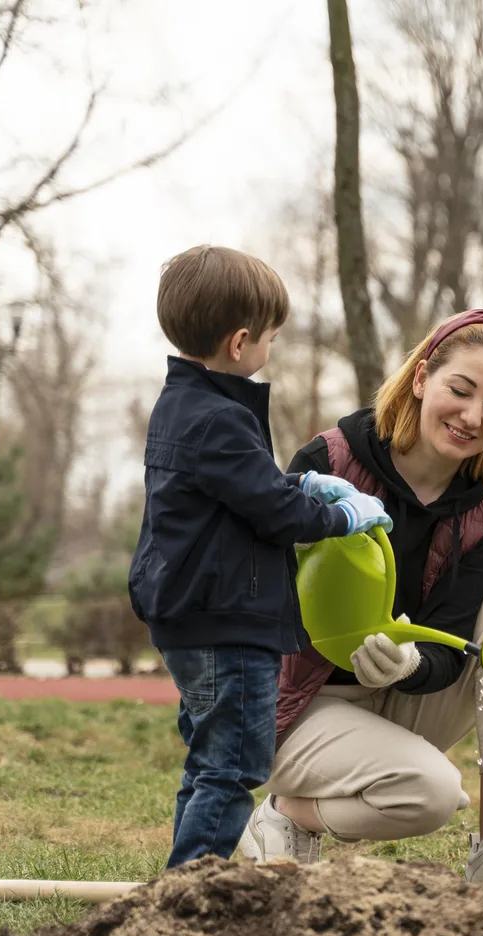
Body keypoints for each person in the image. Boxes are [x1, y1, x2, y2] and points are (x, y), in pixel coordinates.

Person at [237, 309, 483, 902]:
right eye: (460, 390)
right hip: (297, 705)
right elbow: (258, 596)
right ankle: (285, 814)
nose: (473, 417)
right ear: (422, 379)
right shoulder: (327, 463)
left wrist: (413, 664)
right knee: (431, 795)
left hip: (398, 697)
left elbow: (451, 645)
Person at [129, 245, 393, 870]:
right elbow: (274, 516)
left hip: (192, 615)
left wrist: (300, 484)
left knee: (208, 756)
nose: (271, 348)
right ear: (241, 342)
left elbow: (238, 496)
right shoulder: (221, 418)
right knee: (238, 761)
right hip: (227, 620)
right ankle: (195, 887)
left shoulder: (182, 407)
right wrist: (339, 516)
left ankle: (188, 875)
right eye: (272, 337)